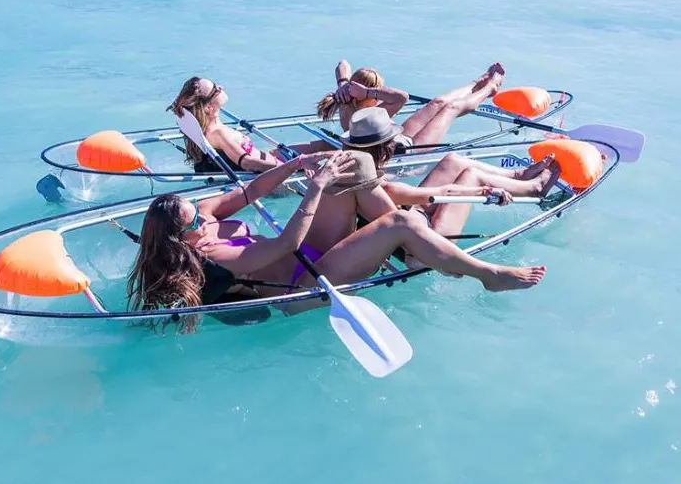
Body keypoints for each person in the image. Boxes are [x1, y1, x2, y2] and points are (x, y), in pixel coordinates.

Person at [128, 150, 547, 325]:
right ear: (182, 238)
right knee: (400, 222)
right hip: (301, 285)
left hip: (309, 253)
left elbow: (251, 191)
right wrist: (312, 188)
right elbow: (285, 245)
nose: (202, 214)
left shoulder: (201, 215)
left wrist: (298, 164)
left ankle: (417, 249)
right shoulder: (215, 255)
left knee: (349, 169)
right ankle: (485, 273)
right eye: (193, 221)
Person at [339, 107, 561, 240]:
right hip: (426, 238)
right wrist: (488, 192)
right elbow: (444, 191)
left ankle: (517, 175)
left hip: (412, 215)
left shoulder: (355, 172)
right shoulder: (382, 186)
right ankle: (535, 188)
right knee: (472, 175)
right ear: (386, 148)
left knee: (452, 161)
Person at [316, 59, 507, 149]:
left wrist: (343, 83)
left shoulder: (344, 101)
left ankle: (476, 83)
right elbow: (402, 97)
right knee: (450, 109)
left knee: (437, 102)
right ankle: (489, 87)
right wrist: (366, 91)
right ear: (370, 96)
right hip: (406, 150)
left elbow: (343, 63)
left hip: (397, 138)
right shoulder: (369, 115)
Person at [167, 76, 285, 173]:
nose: (220, 87)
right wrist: (293, 166)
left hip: (269, 159)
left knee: (301, 148)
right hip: (276, 174)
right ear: (208, 107)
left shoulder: (213, 127)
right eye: (215, 89)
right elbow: (248, 163)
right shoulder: (218, 134)